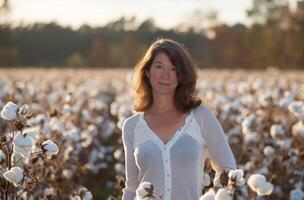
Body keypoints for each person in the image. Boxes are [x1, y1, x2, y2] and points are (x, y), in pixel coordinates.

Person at [121, 38, 236, 200]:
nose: (165, 75)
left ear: (181, 75)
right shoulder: (132, 126)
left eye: (173, 68)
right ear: (147, 72)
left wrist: (217, 196)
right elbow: (132, 188)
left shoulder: (201, 116)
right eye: (159, 66)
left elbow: (227, 168)